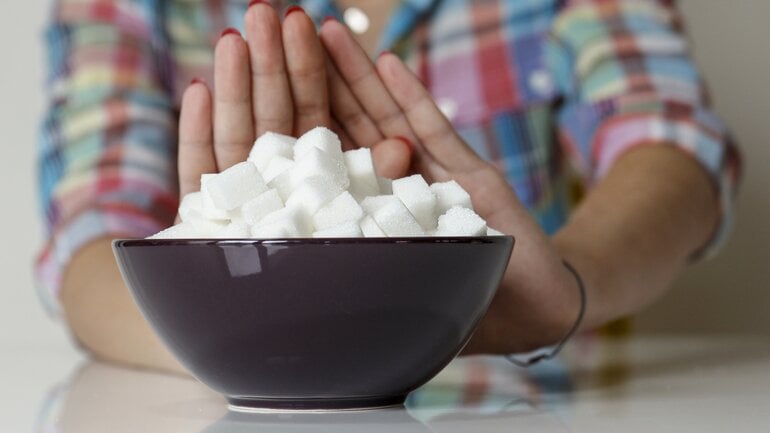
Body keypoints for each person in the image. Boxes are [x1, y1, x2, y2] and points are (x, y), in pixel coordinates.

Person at [37, 0, 740, 373]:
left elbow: (671, 146)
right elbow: (89, 232)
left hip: (532, 404)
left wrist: (561, 291)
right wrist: (246, 346)